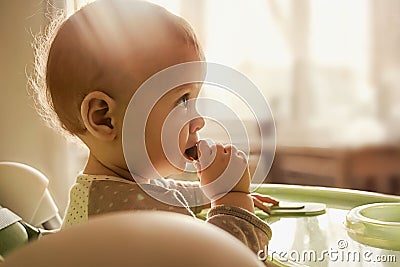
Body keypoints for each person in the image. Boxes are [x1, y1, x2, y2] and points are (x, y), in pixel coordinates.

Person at [31, 0, 277, 263]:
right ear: (104, 118)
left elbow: (165, 191)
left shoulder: (111, 189)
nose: (199, 121)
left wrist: (209, 194)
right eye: (183, 100)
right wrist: (232, 202)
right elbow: (229, 261)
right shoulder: (132, 218)